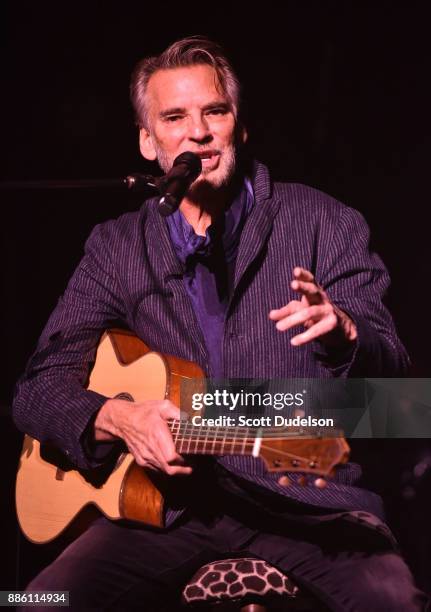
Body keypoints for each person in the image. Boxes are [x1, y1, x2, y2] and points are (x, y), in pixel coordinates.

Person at [13, 36, 427, 610]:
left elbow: (399, 401)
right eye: (174, 117)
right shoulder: (116, 247)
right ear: (147, 140)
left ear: (240, 125)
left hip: (310, 503)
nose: (198, 133)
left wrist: (347, 335)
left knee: (395, 602)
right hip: (165, 513)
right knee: (32, 602)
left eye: (215, 111)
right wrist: (121, 417)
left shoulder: (325, 222)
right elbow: (36, 390)